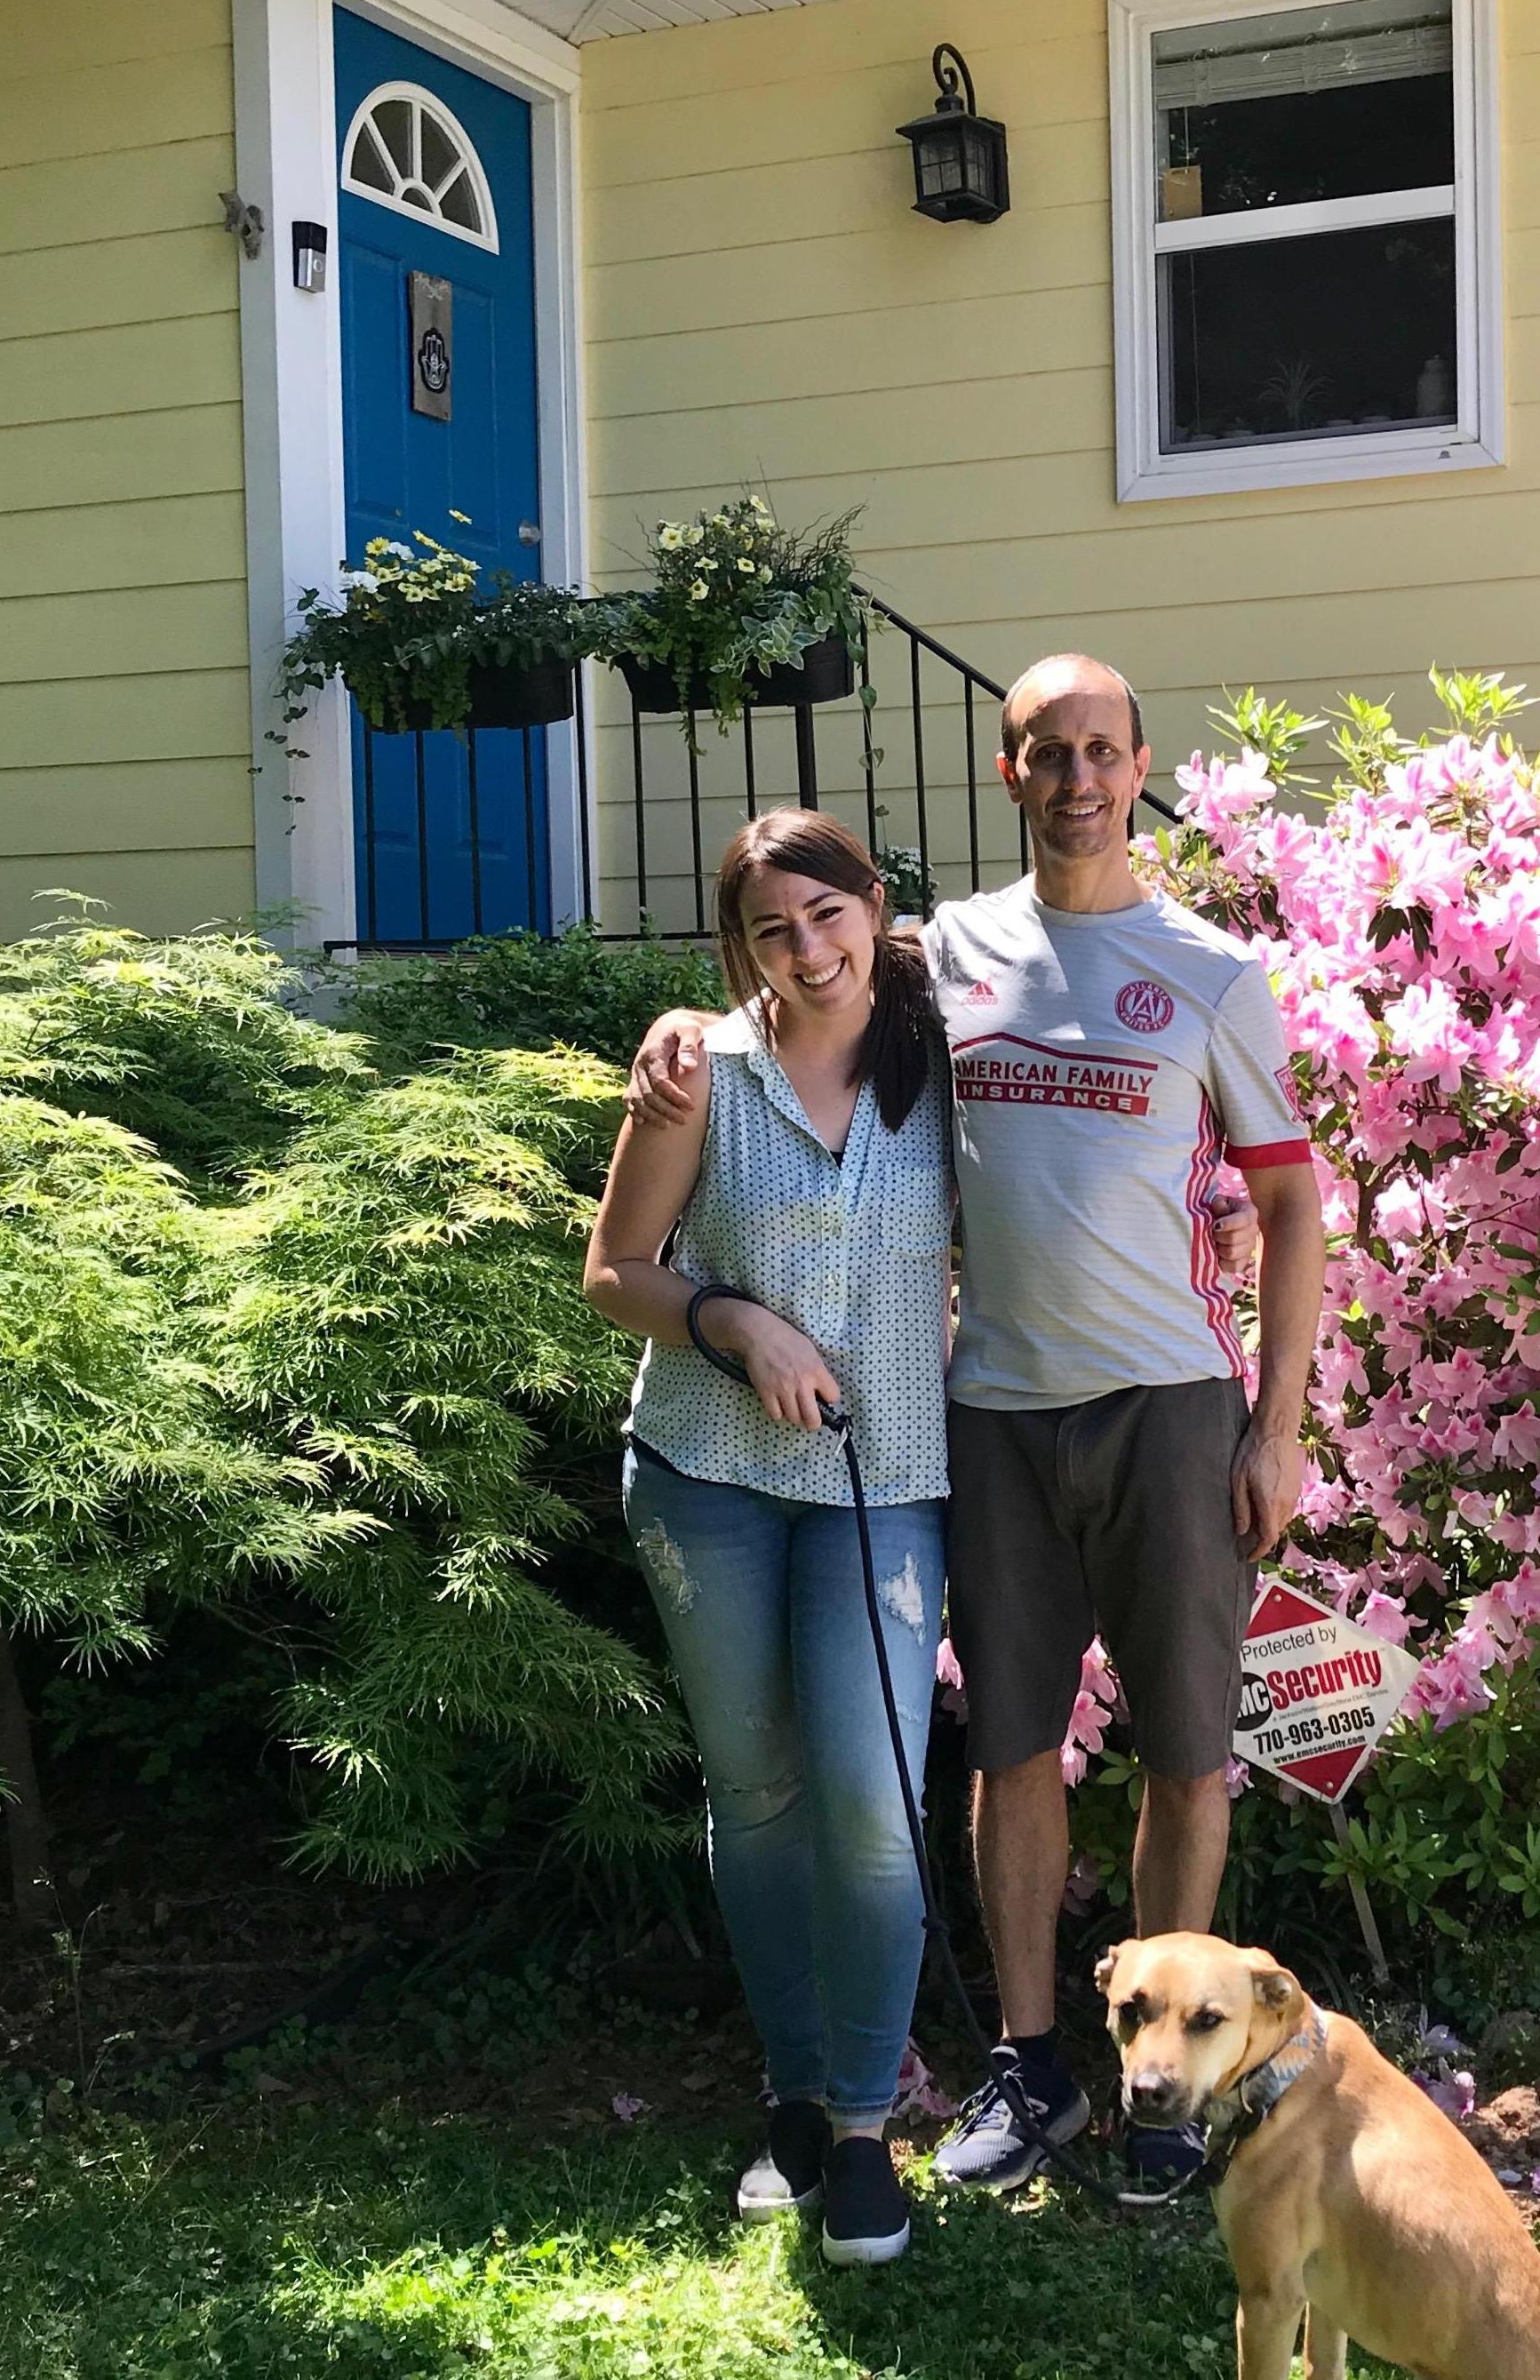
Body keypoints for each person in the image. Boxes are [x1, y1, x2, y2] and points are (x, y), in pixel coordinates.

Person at [630, 655, 1327, 2193]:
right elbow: (797, 979)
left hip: (1171, 1408)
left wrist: (1277, 1427)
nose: (1076, 777)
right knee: (1013, 1749)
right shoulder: (944, 958)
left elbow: (1291, 1203)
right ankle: (1031, 2070)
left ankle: (1171, 2094)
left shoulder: (1214, 975)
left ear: (1138, 767)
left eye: (1101, 749)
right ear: (1009, 773)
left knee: (1186, 1758)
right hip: (992, 1416)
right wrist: (684, 1020)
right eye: (1045, 752)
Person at [584, 809, 954, 2268]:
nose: (808, 952)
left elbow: (1076, 1179)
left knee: (872, 1802)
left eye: (828, 915)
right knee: (757, 1797)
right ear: (739, 951)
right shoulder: (701, 1072)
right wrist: (733, 1320)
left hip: (887, 1481)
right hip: (708, 1475)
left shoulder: (952, 1056)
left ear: (875, 903)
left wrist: (1215, 1226)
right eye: (771, 932)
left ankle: (865, 2124)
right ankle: (797, 2097)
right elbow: (614, 1270)